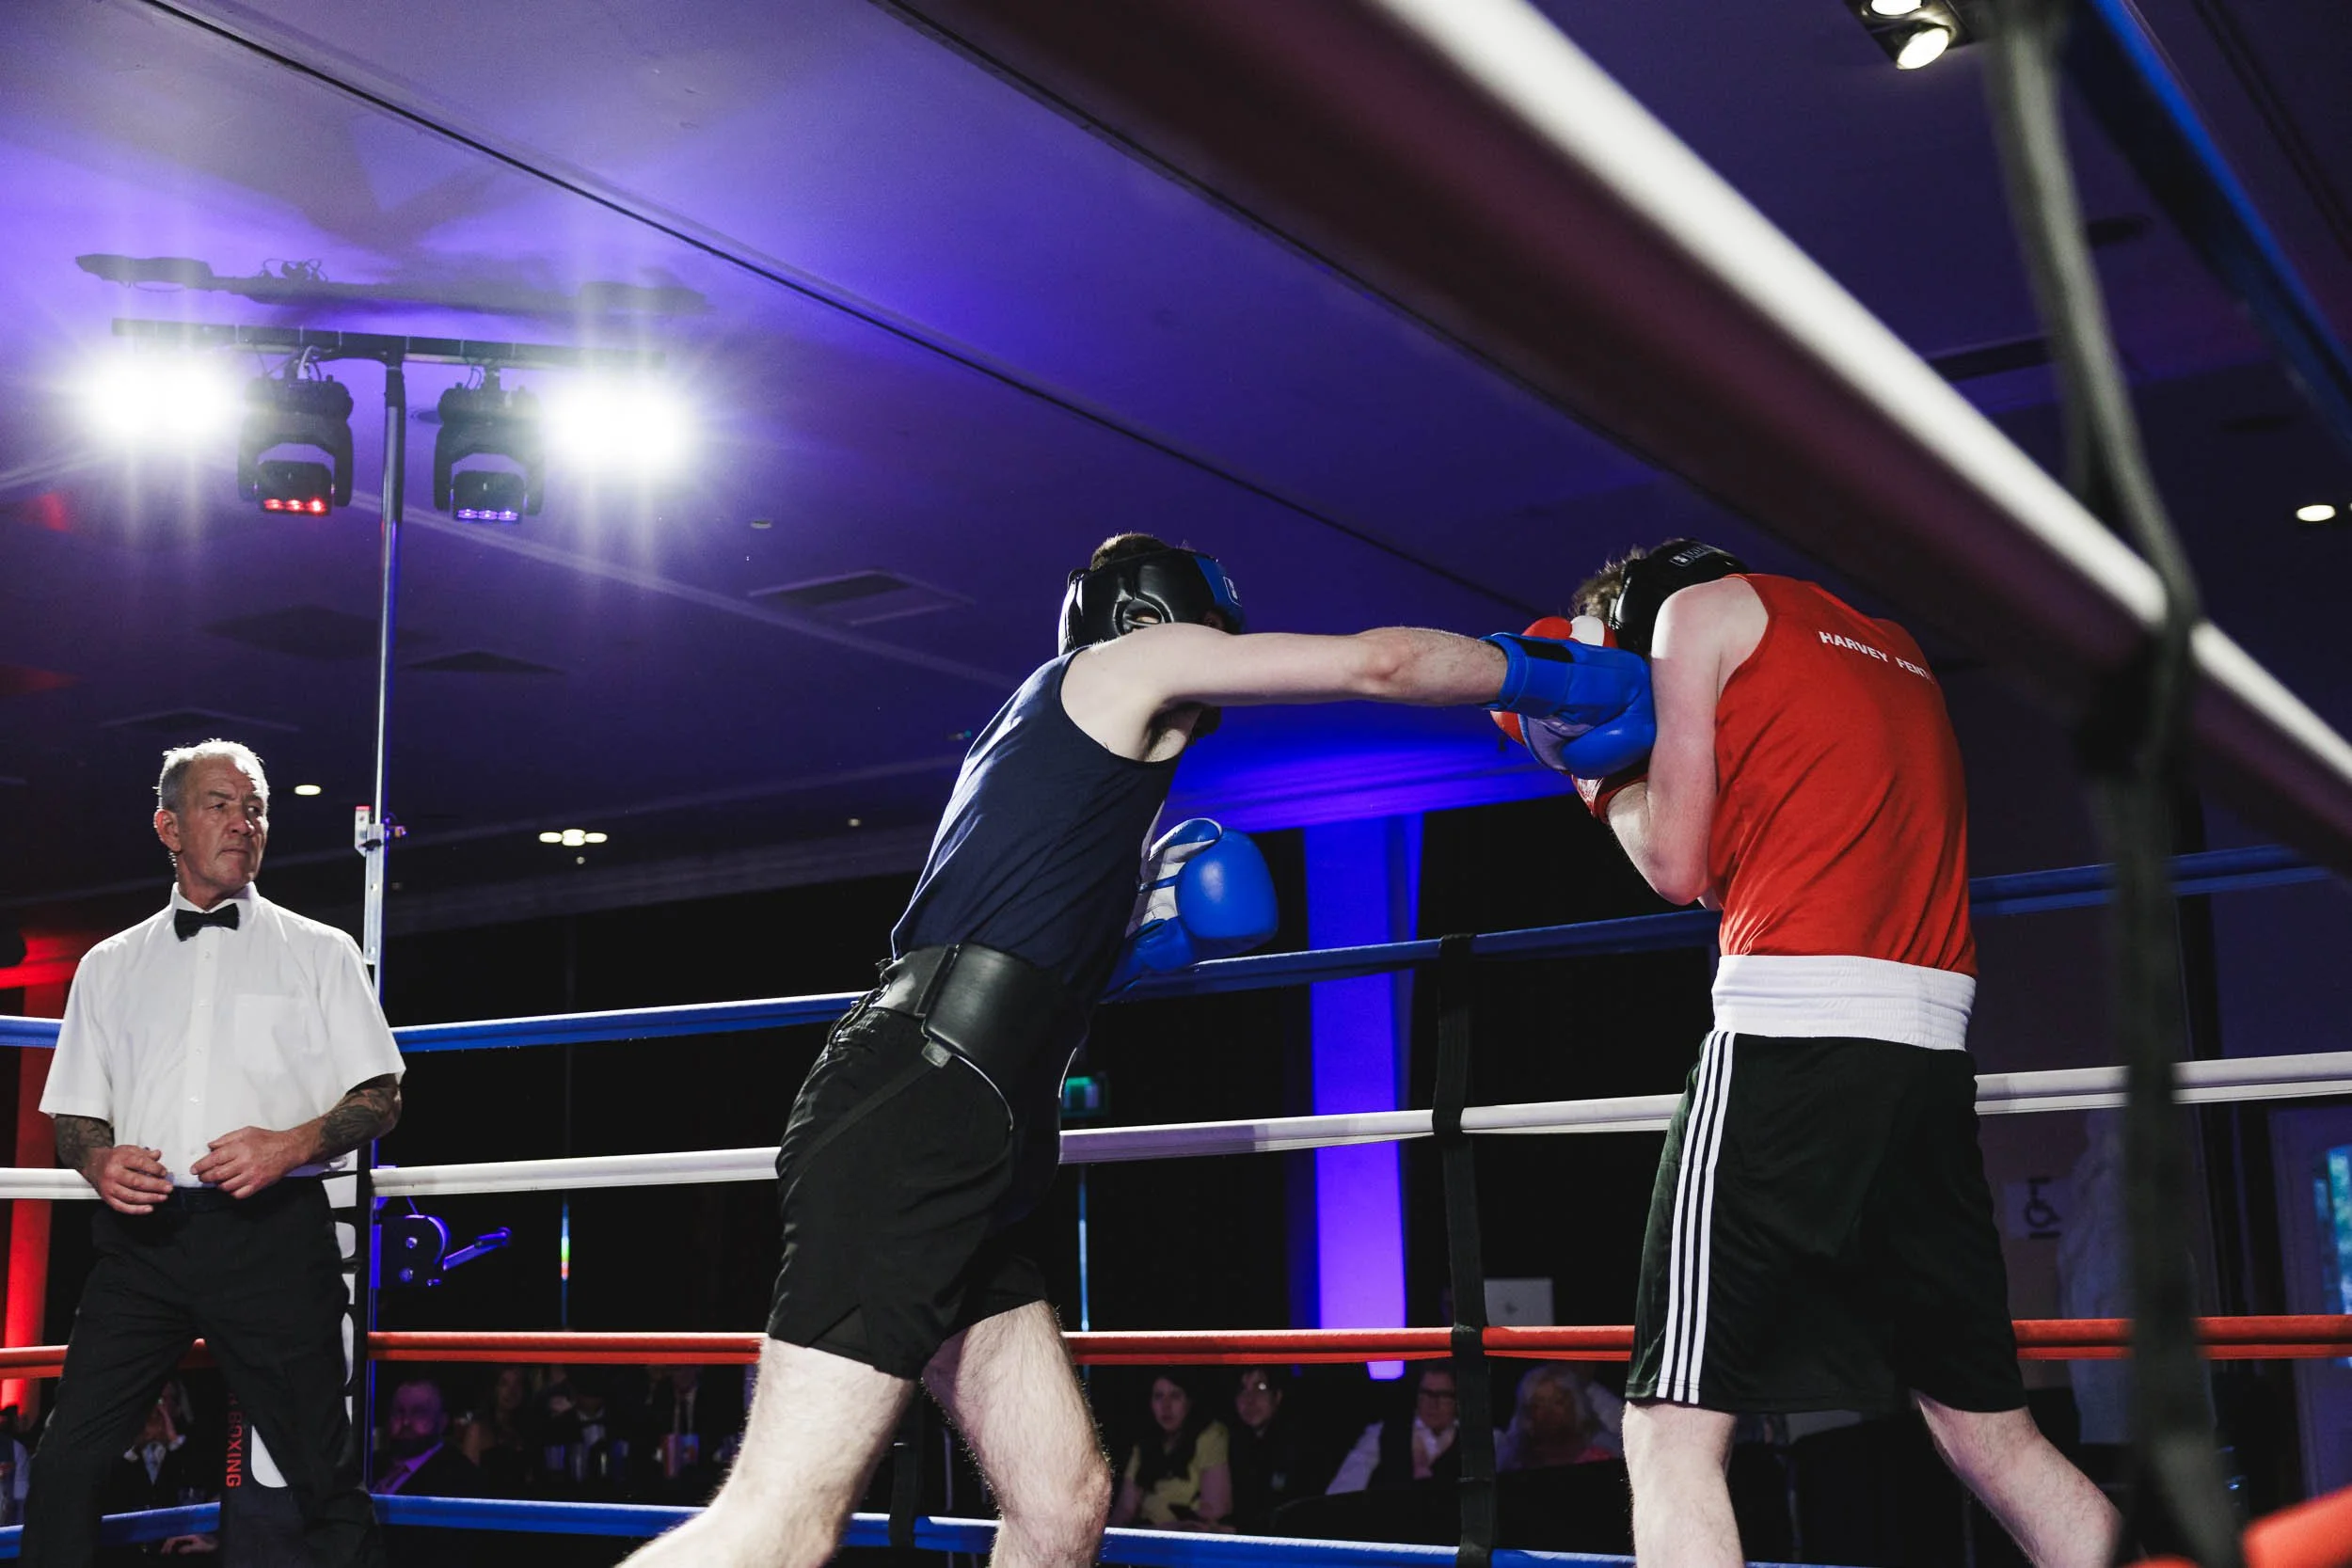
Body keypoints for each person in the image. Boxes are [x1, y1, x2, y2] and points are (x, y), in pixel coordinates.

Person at [620, 533, 1627, 1568]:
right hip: (919, 1111)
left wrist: (1134, 944)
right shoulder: (1122, 664)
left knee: (1063, 1504)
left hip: (976, 1134)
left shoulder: (1062, 780)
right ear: (1151, 619)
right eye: (1211, 639)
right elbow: (1381, 661)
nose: (1217, 669)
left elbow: (1026, 969)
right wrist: (1551, 675)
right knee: (782, 1520)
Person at [1518, 542, 2121, 1568]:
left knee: (1669, 1433)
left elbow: (1673, 865)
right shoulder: (1891, 646)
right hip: (1928, 1055)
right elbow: (1743, 868)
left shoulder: (1691, 618)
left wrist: (1594, 771)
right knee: (1990, 1432)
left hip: (1791, 1038)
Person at [25, 739, 405, 1568]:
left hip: (272, 1235)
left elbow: (382, 1095)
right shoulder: (108, 965)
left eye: (256, 807)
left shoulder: (321, 949)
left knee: (323, 1476)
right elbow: (76, 1117)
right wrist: (99, 1162)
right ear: (169, 826)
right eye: (221, 804)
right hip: (144, 1243)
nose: (243, 821)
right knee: (64, 1463)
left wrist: (290, 1143)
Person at [1109, 1374, 1232, 1530]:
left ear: (1189, 1400)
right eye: (1158, 1396)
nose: (1165, 1406)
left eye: (1175, 1396)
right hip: (1144, 1535)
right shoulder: (1145, 1444)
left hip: (1186, 1539)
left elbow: (1214, 1512)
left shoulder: (1211, 1436)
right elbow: (1125, 1510)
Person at [1326, 1364, 1468, 1494]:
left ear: (1457, 1399)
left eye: (1443, 1395)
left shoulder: (1472, 1440)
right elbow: (1344, 1488)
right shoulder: (1383, 1433)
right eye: (1426, 1393)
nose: (1433, 1404)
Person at [1225, 1367, 1310, 1533]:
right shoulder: (1235, 1446)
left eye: (1261, 1387)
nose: (1249, 1400)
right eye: (1242, 1389)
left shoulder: (1298, 1447)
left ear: (1277, 1396)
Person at [370, 1378, 481, 1498]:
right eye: (399, 1412)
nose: (406, 1422)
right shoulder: (372, 1464)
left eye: (418, 1413)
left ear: (442, 1422)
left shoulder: (460, 1476)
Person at [1496, 1365, 1615, 1473]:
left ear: (1576, 1407)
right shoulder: (1511, 1462)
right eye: (1538, 1405)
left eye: (1558, 1402)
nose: (1549, 1412)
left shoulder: (1602, 1453)